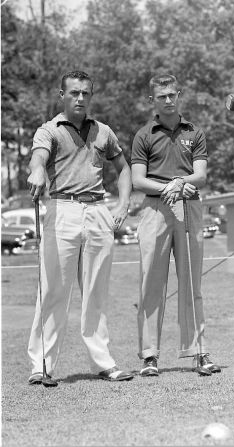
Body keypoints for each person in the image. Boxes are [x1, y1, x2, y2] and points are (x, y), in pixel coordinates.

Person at [26, 70, 134, 384]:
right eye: (74, 92)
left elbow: (123, 168)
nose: (80, 98)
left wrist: (123, 202)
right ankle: (41, 365)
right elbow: (38, 157)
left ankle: (104, 362)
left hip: (99, 210)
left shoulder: (103, 131)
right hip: (62, 209)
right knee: (54, 292)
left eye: (85, 93)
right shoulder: (49, 130)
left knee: (96, 292)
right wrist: (37, 172)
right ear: (62, 95)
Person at [131, 74, 220, 377]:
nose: (167, 100)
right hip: (155, 211)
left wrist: (180, 182)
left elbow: (201, 175)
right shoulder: (144, 134)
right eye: (161, 96)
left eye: (172, 95)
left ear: (179, 95)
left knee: (192, 282)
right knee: (150, 285)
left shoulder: (195, 132)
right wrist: (168, 187)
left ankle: (199, 352)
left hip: (189, 206)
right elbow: (137, 180)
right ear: (151, 100)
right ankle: (149, 356)